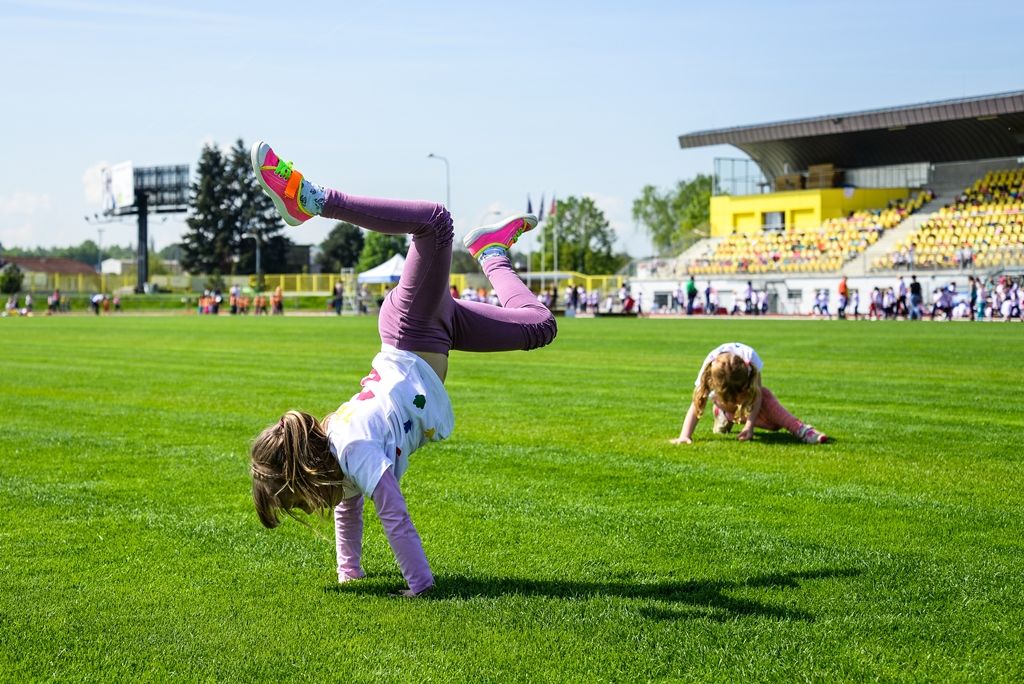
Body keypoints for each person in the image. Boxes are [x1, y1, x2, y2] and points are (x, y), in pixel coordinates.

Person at [247, 140, 556, 598]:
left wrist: (420, 585)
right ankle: (491, 251)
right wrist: (349, 572)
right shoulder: (338, 458)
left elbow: (393, 512)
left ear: (302, 472)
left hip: (413, 331)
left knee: (435, 223)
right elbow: (347, 505)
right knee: (540, 326)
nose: (305, 510)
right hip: (435, 332)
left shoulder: (352, 446)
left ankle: (311, 199)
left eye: (295, 501)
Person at [671, 342, 827, 445]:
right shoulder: (709, 369)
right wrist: (685, 435)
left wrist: (749, 426)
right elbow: (697, 403)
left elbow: (757, 396)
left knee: (769, 409)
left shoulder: (750, 359)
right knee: (771, 415)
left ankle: (726, 415)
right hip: (722, 401)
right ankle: (801, 430)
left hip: (745, 401)